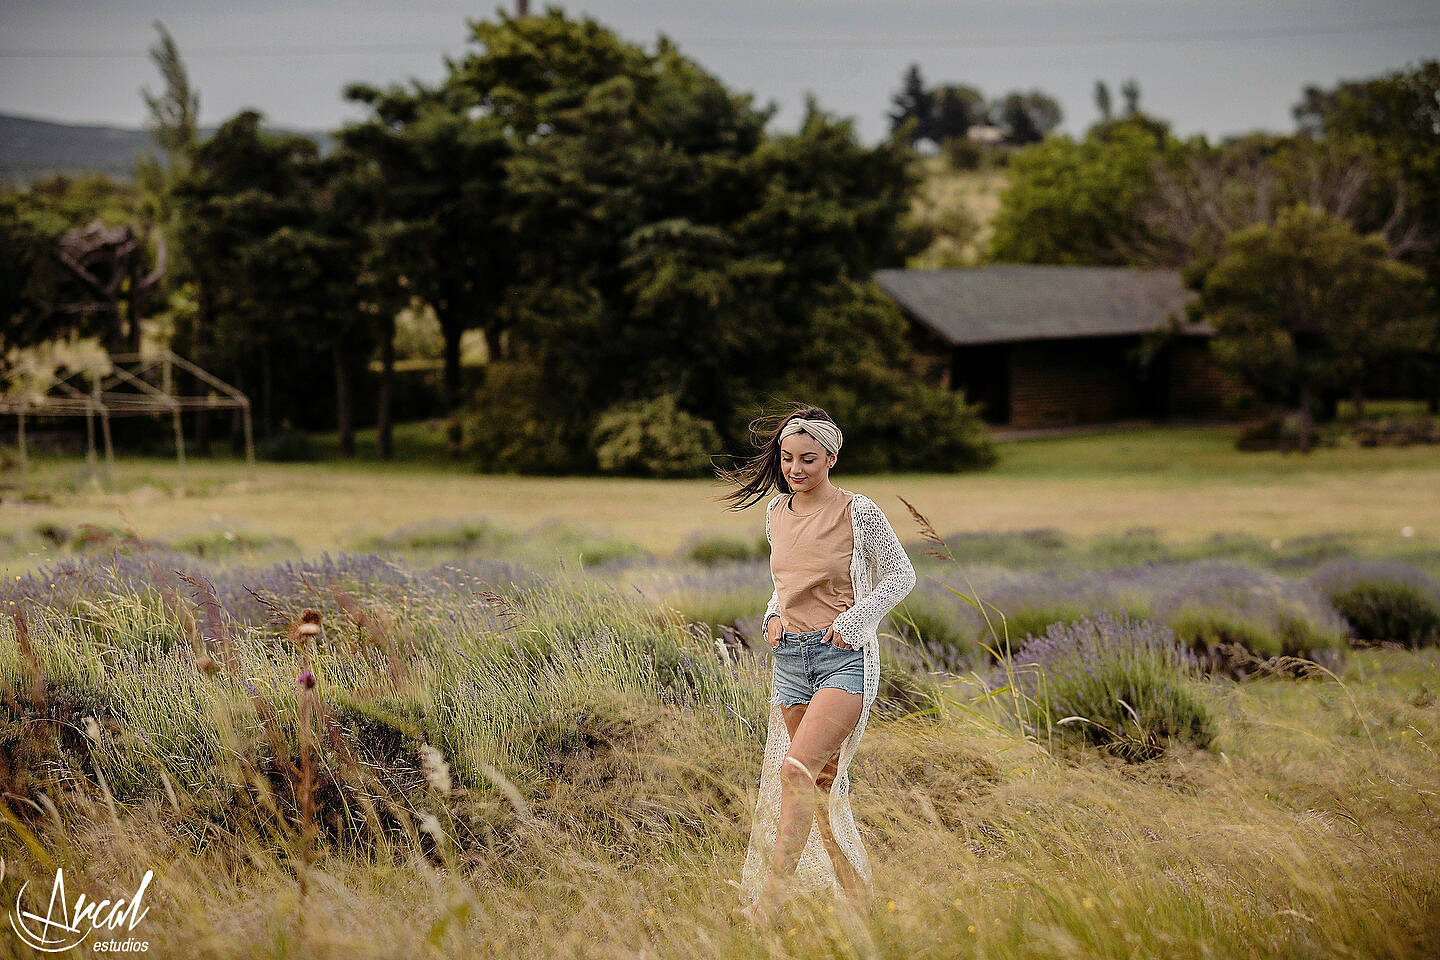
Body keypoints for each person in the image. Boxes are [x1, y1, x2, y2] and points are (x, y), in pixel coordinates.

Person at [713, 404, 917, 926]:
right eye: (786, 458)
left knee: (795, 770)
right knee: (819, 787)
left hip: (844, 660)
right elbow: (786, 583)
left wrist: (855, 622)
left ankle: (770, 903)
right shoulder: (776, 513)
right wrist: (772, 613)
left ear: (830, 457)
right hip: (791, 661)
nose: (794, 469)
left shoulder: (859, 510)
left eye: (807, 459)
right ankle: (859, 903)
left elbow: (900, 576)